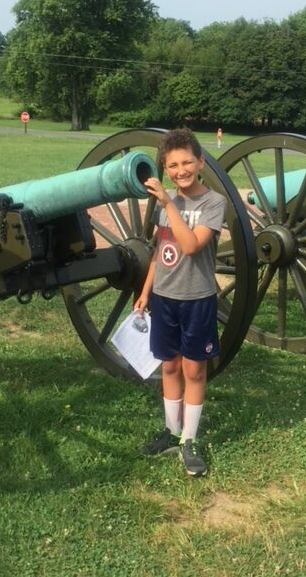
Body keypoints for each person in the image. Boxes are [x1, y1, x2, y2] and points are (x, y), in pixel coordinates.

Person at [134, 127, 227, 477]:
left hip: (196, 299)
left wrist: (169, 203)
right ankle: (171, 432)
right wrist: (145, 292)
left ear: (201, 162)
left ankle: (190, 440)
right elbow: (162, 252)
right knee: (169, 367)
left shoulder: (213, 203)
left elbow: (190, 246)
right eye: (172, 165)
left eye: (187, 162)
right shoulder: (166, 205)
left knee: (194, 370)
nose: (180, 170)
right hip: (165, 299)